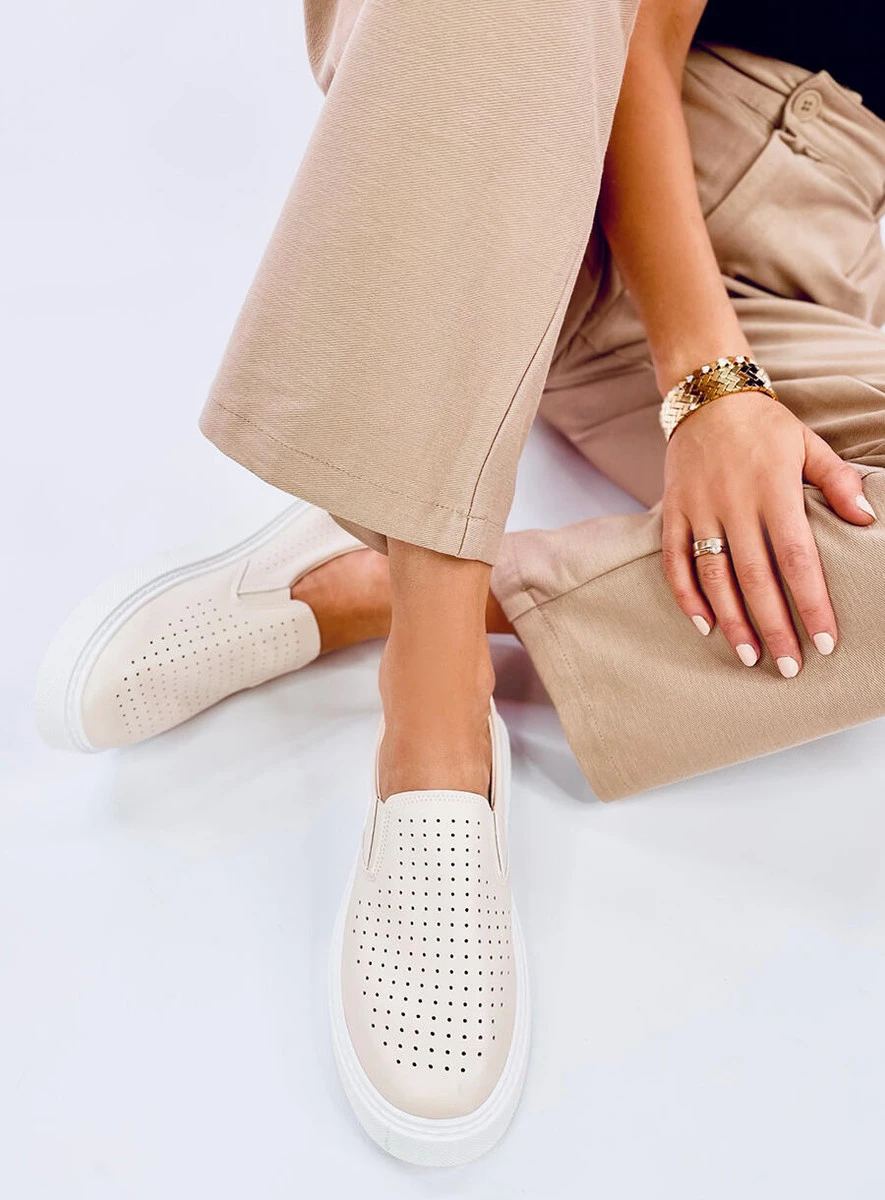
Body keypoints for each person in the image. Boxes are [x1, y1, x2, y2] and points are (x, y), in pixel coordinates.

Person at [36, 0, 885, 1166]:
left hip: (834, 277)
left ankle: (353, 587)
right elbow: (643, 35)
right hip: (573, 121)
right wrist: (710, 383)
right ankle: (433, 709)